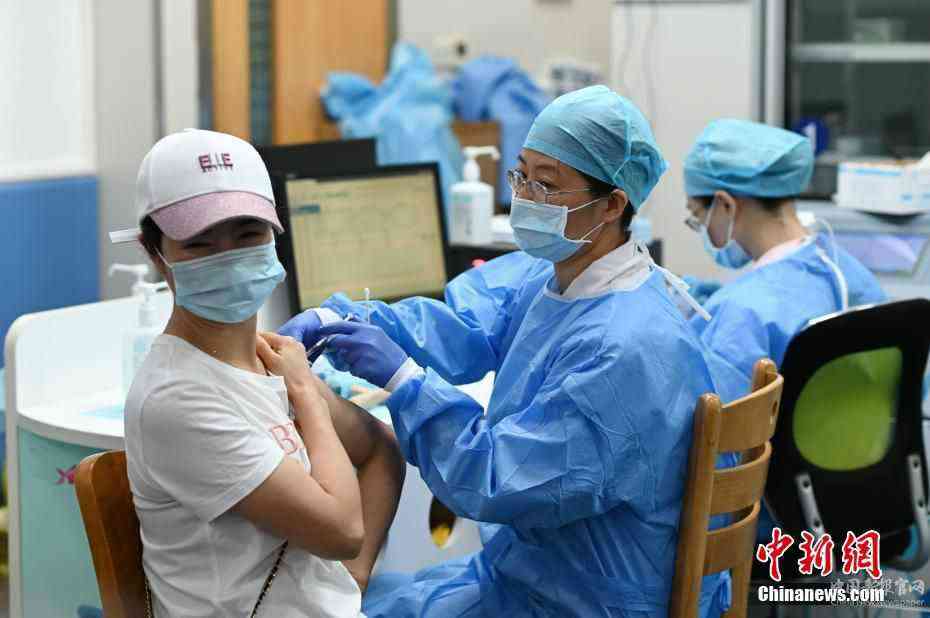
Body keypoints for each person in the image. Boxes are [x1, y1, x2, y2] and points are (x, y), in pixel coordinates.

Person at [280, 86, 730, 617]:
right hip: (536, 570)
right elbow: (463, 325)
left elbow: (492, 479)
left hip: (585, 600)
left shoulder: (623, 348)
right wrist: (342, 320)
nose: (526, 198)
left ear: (612, 204)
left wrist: (405, 383)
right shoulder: (558, 275)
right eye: (521, 176)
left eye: (547, 185)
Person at [117, 129, 405, 617]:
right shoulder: (176, 398)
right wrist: (307, 397)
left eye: (248, 235)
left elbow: (382, 450)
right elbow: (341, 531)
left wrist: (351, 585)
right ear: (154, 252)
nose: (228, 257)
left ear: (274, 232)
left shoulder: (269, 362)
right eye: (199, 243)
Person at [682, 119, 887, 405]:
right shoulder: (847, 272)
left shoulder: (741, 313)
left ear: (726, 205)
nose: (701, 228)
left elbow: (707, 425)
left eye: (698, 216)